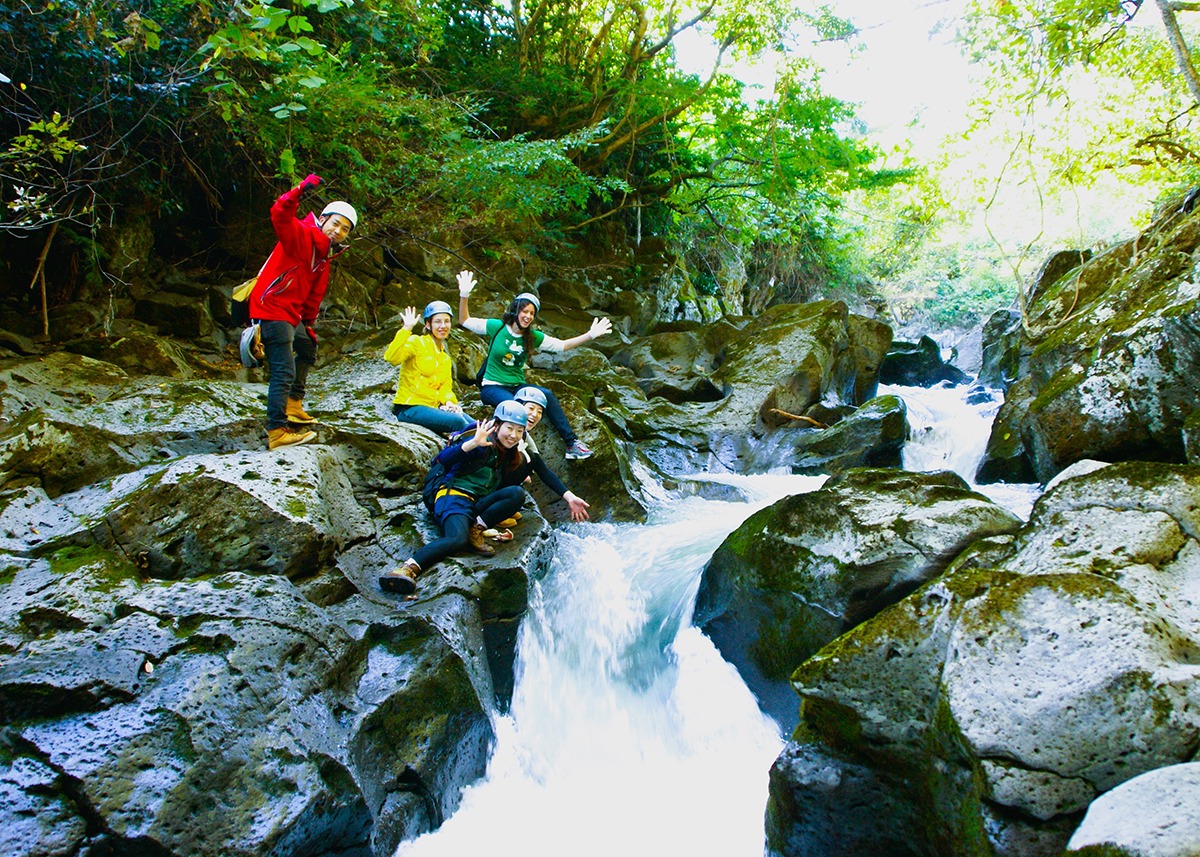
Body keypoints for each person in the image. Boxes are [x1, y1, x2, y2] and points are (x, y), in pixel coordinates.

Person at [247, 172, 356, 449]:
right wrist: (298, 191)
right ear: (322, 219)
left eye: (345, 229)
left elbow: (313, 294)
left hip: (290, 313)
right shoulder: (301, 235)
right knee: (283, 370)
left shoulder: (324, 255)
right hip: (271, 307)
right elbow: (279, 213)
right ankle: (277, 431)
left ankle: (293, 404)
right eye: (335, 224)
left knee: (307, 348)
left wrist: (307, 323)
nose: (338, 231)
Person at [379, 400, 530, 596]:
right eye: (510, 428)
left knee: (516, 494)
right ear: (498, 424)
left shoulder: (508, 452)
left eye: (519, 431)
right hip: (454, 498)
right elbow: (441, 459)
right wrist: (472, 443)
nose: (514, 435)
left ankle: (476, 528)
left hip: (475, 503)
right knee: (456, 539)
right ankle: (407, 568)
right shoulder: (480, 442)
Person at [456, 269, 611, 460]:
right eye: (524, 311)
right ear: (515, 310)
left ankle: (572, 444)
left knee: (547, 395)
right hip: (492, 386)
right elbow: (464, 320)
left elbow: (561, 346)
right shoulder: (496, 327)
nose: (528, 316)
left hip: (517, 386)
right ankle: (513, 452)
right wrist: (464, 295)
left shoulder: (532, 337)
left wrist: (590, 335)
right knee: (515, 408)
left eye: (531, 313)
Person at [504, 386, 592, 522]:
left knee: (529, 459)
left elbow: (542, 469)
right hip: (481, 484)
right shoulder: (501, 429)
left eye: (539, 412)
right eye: (531, 408)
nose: (535, 415)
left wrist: (570, 497)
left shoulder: (525, 436)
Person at [384, 300, 471, 435]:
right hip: (409, 408)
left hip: (433, 407)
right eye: (438, 322)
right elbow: (391, 357)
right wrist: (406, 329)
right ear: (428, 324)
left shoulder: (445, 358)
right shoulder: (417, 342)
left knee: (477, 426)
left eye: (446, 321)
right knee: (458, 422)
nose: (443, 326)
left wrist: (448, 402)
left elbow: (445, 387)